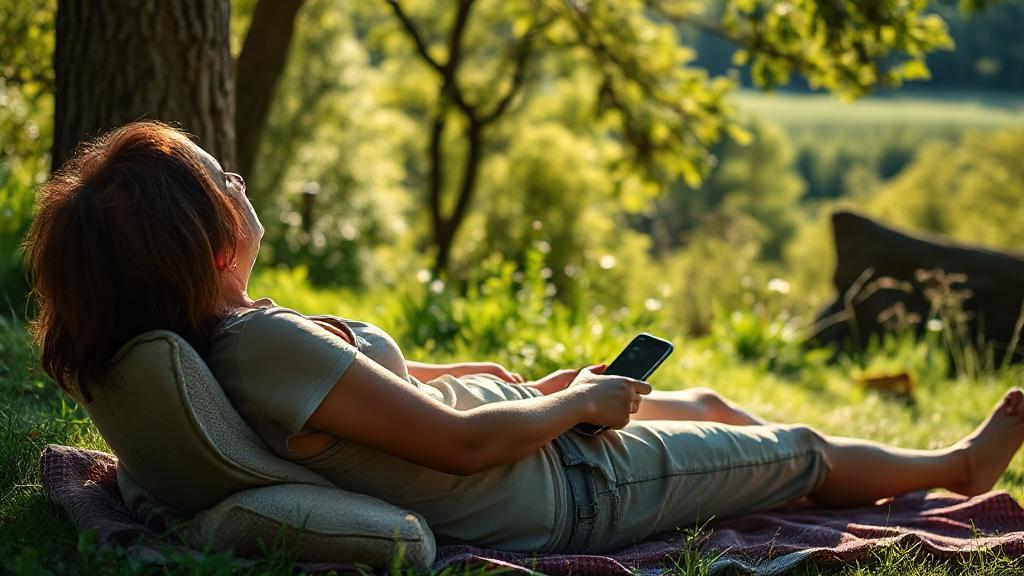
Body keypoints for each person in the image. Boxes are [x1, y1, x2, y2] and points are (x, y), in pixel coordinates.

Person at [24, 121, 1024, 553]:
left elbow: (389, 402)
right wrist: (576, 407)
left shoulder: (232, 335)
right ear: (204, 244)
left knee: (717, 408)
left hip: (524, 442)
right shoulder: (262, 348)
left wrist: (515, 384)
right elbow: (457, 447)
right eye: (221, 180)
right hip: (553, 492)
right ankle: (951, 466)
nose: (239, 183)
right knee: (794, 448)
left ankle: (771, 468)